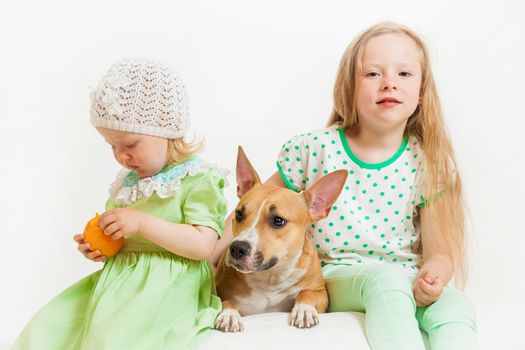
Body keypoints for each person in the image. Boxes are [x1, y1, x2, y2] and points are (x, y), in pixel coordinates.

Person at [211, 22, 477, 350]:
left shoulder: (430, 164)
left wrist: (434, 275)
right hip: (341, 274)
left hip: (405, 276)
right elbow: (253, 208)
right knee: (386, 282)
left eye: (404, 74)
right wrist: (209, 251)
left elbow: (440, 252)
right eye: (373, 74)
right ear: (348, 89)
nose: (389, 83)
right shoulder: (314, 149)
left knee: (456, 307)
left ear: (422, 92)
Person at [14, 58, 228, 349]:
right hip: (118, 284)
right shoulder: (127, 183)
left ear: (167, 130)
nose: (121, 156)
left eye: (130, 144)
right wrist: (103, 246)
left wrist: (142, 222)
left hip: (169, 287)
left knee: (110, 339)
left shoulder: (197, 178)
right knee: (50, 327)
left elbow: (203, 246)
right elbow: (126, 240)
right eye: (112, 146)